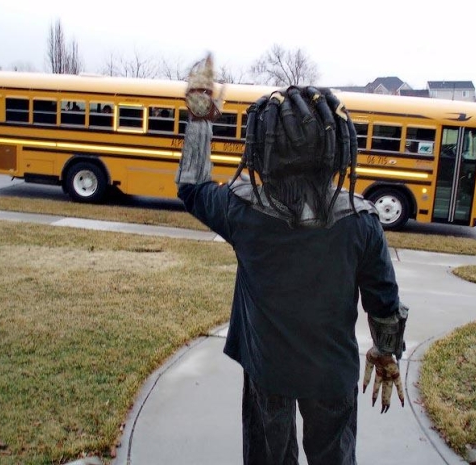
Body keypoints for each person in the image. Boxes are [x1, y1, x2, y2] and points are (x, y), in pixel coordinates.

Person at [175, 54, 408, 465]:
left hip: (267, 372)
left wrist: (198, 121)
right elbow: (383, 300)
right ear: (337, 147)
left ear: (262, 149)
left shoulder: (241, 210)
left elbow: (192, 188)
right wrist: (385, 352)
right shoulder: (362, 221)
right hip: (332, 375)